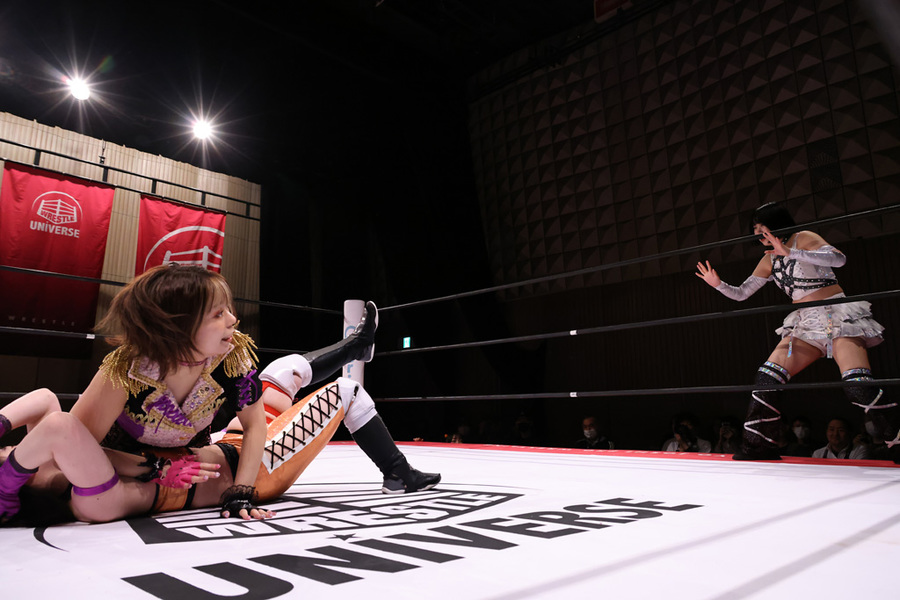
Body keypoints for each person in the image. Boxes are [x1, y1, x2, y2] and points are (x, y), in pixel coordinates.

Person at [68, 264, 438, 521]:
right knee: (345, 389)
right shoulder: (125, 371)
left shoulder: (231, 356)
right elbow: (75, 448)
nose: (233, 319)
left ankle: (356, 348)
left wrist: (241, 491)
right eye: (217, 314)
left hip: (228, 453)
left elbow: (255, 425)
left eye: (227, 310)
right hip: (238, 462)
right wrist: (157, 467)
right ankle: (399, 472)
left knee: (279, 374)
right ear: (180, 328)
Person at [696, 202, 898, 461]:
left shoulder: (804, 238)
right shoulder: (769, 258)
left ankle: (897, 439)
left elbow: (839, 259)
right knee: (767, 379)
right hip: (804, 325)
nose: (760, 237)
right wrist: (718, 284)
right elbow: (742, 293)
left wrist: (791, 252)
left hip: (837, 318)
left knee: (858, 387)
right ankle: (759, 446)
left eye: (763, 230)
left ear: (777, 226)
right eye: (756, 232)